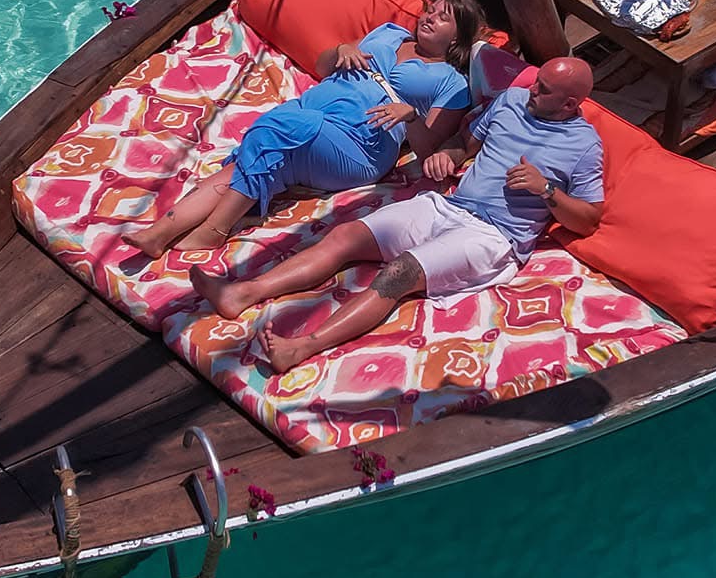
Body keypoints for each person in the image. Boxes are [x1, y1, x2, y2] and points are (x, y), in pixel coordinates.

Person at [192, 57, 604, 376]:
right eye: (536, 82)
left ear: (570, 103)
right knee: (345, 235)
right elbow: (467, 142)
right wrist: (449, 155)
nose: (531, 91)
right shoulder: (511, 100)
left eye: (543, 91)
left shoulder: (584, 146)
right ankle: (241, 294)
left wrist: (547, 191)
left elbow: (588, 220)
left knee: (400, 272)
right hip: (450, 205)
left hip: (495, 237)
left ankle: (302, 346)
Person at [120, 0, 483, 257]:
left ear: (457, 38)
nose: (429, 17)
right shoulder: (388, 33)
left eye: (442, 17)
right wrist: (340, 50)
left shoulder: (452, 83)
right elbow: (325, 66)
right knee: (254, 158)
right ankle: (160, 233)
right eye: (430, 9)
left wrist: (411, 116)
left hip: (358, 146)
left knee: (275, 130)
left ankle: (215, 229)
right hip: (306, 118)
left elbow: (429, 152)